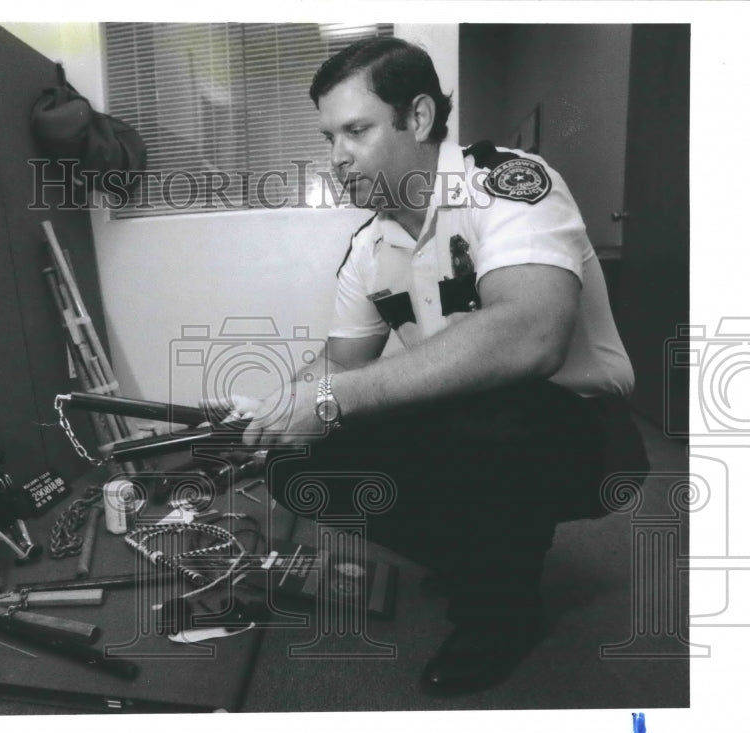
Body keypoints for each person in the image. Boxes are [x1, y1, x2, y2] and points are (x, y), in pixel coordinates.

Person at [234, 36, 649, 696]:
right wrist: (280, 407)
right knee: (298, 464)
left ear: (419, 118)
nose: (337, 157)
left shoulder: (510, 184)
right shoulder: (369, 248)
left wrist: (329, 399)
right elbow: (339, 365)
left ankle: (504, 610)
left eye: (356, 131)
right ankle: (477, 550)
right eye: (329, 136)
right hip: (475, 422)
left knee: (485, 417)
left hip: (582, 435)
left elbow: (530, 334)